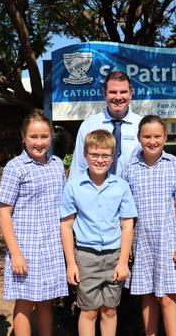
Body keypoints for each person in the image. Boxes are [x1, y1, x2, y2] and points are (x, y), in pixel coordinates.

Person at [60, 129, 138, 336]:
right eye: (94, 154)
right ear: (85, 155)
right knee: (89, 311)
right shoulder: (73, 186)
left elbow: (127, 224)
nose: (99, 160)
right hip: (86, 256)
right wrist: (71, 263)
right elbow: (67, 226)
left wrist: (123, 261)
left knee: (110, 310)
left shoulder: (121, 186)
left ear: (113, 158)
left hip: (114, 256)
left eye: (105, 155)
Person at [0, 110, 68, 336]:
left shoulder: (57, 164)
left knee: (47, 302)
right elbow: (4, 212)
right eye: (34, 137)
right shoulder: (15, 167)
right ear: (23, 137)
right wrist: (15, 253)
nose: (39, 142)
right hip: (26, 248)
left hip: (52, 246)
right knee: (25, 303)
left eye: (44, 136)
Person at [121, 115, 176, 336]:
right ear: (139, 138)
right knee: (147, 297)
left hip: (167, 241)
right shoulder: (129, 167)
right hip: (141, 242)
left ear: (165, 137)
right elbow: (125, 211)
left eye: (157, 136)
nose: (152, 141)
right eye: (147, 136)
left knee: (168, 298)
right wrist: (127, 244)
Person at [69, 70, 143, 177]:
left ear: (131, 93)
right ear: (104, 93)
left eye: (123, 92)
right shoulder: (89, 125)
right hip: (97, 191)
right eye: (113, 92)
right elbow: (78, 167)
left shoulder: (141, 126)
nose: (118, 97)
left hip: (132, 192)